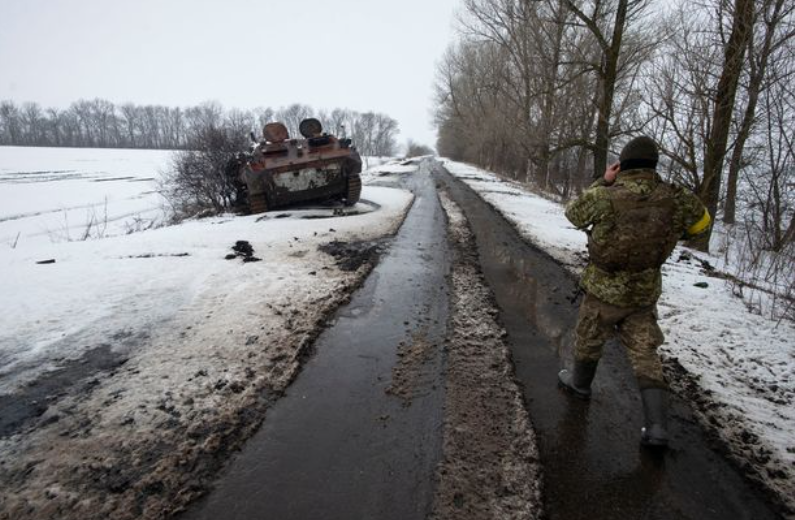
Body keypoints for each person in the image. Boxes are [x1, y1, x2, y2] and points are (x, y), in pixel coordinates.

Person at [558, 136, 711, 448]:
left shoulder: (605, 195)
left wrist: (603, 179)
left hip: (603, 290)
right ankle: (657, 429)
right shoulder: (676, 197)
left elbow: (572, 214)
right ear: (653, 165)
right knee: (645, 353)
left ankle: (580, 386)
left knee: (588, 339)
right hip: (643, 293)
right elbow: (702, 227)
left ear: (623, 165)